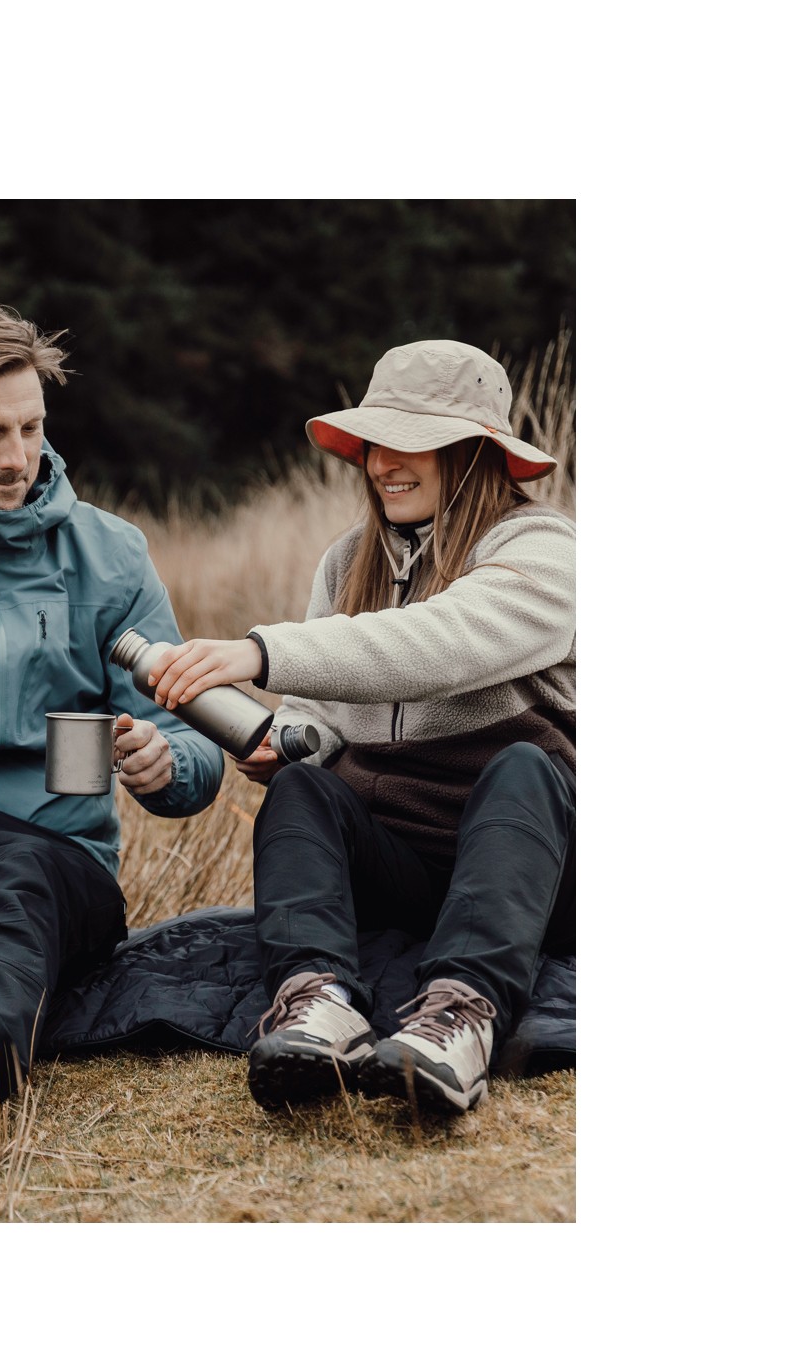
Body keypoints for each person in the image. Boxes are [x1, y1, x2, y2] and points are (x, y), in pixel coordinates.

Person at [146, 339, 574, 1116]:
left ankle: (461, 1019)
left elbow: (439, 645)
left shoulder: (543, 550)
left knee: (523, 765)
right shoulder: (347, 563)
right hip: (405, 870)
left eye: (412, 441)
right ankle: (318, 1006)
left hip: (534, 870)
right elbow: (318, 716)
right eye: (374, 442)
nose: (383, 463)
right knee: (304, 791)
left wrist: (258, 653)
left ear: (476, 453)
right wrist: (292, 743)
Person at [0, 303, 224, 1141]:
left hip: (53, 866)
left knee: (19, 875)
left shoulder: (110, 554)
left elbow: (195, 742)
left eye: (32, 428)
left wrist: (167, 762)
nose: (18, 457)